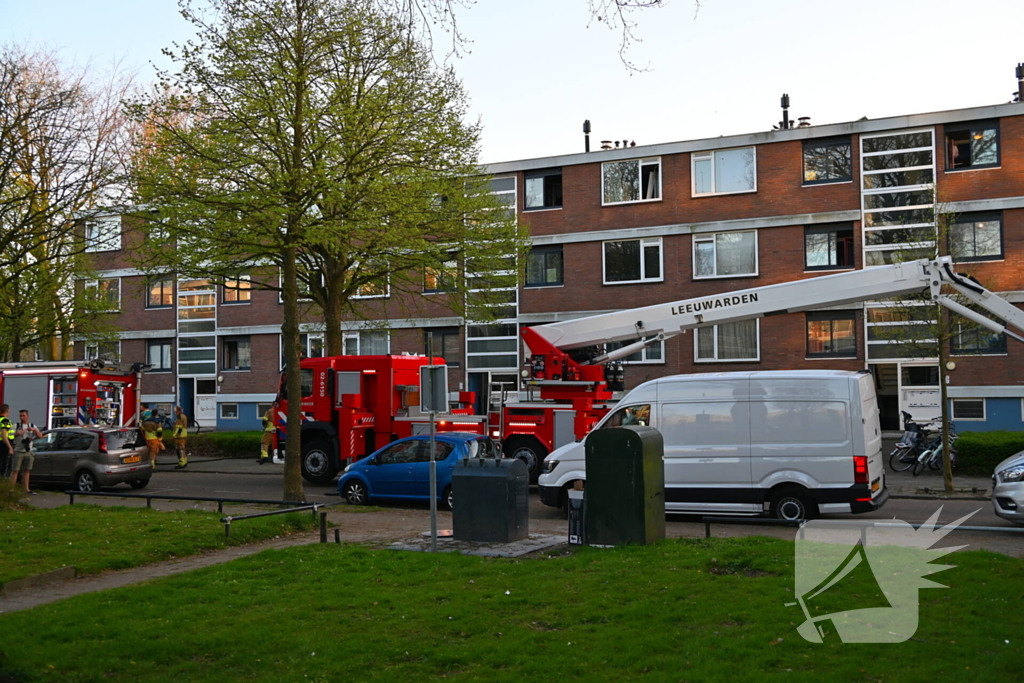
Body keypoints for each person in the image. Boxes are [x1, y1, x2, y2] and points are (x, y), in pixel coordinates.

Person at [11, 410, 43, 494]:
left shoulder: (32, 425)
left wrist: (34, 430)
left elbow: (40, 436)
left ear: (27, 416)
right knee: (15, 470)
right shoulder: (16, 425)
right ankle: (11, 489)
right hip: (18, 450)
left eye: (23, 416)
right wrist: (18, 433)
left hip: (28, 450)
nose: (22, 417)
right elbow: (10, 436)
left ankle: (26, 489)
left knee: (27, 470)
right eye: (20, 416)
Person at [0, 404, 14, 479]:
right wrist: (10, 448)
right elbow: (4, 435)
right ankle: (3, 484)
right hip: (4, 445)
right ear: (7, 411)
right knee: (5, 466)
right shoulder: (5, 421)